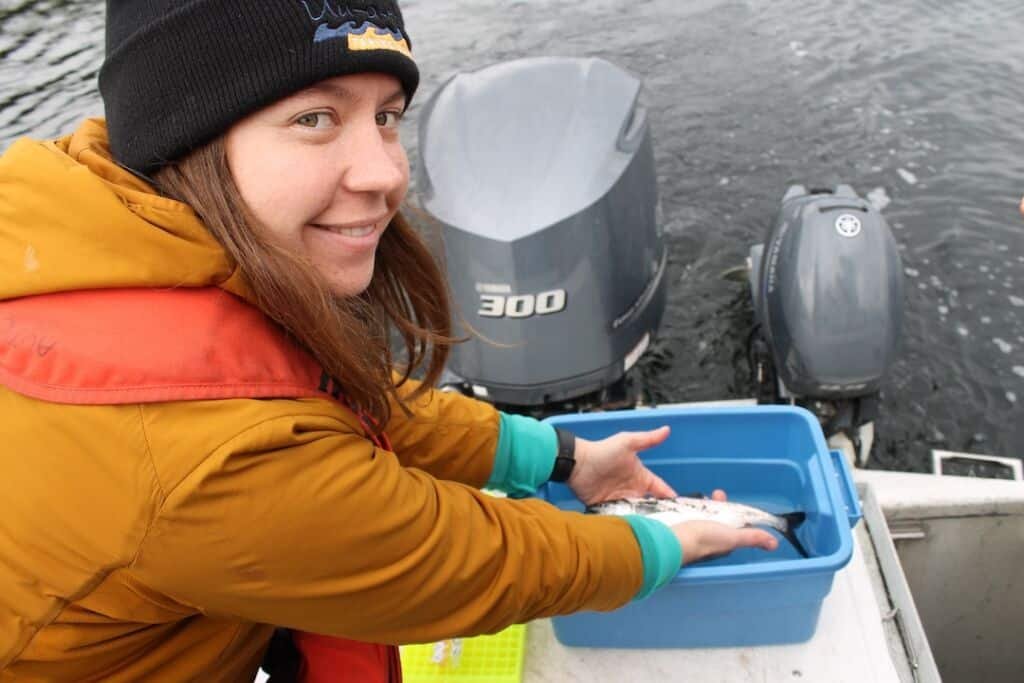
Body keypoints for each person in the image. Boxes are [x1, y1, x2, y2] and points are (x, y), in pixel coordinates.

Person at [0, 1, 778, 680]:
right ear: (183, 136)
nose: (384, 173)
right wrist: (663, 547)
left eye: (386, 117)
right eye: (314, 119)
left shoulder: (112, 231)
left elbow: (316, 396)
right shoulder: (204, 462)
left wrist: (563, 456)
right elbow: (469, 558)